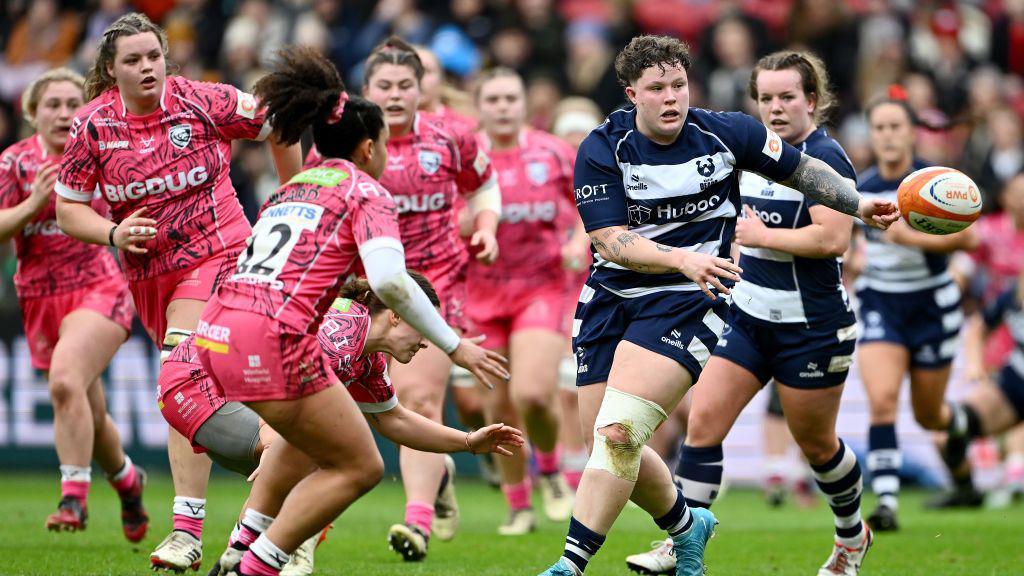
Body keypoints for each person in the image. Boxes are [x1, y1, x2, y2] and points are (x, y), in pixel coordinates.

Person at [538, 35, 897, 576]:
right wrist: (680, 256)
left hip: (696, 300)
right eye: (657, 88)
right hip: (613, 298)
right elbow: (610, 242)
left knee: (620, 432)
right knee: (611, 442)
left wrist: (862, 204)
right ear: (632, 93)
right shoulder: (601, 147)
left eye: (678, 84)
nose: (670, 97)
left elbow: (809, 175)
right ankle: (687, 525)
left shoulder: (731, 133)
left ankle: (570, 564)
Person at [192, 45, 510, 576]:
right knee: (359, 465)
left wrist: (466, 441)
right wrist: (457, 346)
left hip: (216, 330)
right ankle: (262, 564)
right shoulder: (367, 192)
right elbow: (389, 280)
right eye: (384, 142)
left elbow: (393, 414)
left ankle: (241, 544)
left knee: (306, 444)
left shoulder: (292, 188)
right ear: (368, 148)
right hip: (273, 338)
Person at [53, 12, 302, 570]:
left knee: (180, 370)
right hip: (150, 275)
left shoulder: (202, 101)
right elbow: (69, 209)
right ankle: (284, 477)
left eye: (153, 56)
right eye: (133, 61)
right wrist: (113, 232)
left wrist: (293, 198)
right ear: (110, 71)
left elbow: (279, 123)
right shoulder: (92, 127)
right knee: (185, 395)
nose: (147, 68)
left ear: (167, 56)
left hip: (221, 252)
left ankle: (191, 530)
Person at [626, 50, 871, 576]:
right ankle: (681, 545)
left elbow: (834, 238)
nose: (776, 108)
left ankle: (852, 535)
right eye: (765, 98)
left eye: (787, 97)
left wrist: (763, 237)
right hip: (747, 318)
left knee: (817, 444)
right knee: (704, 425)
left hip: (813, 327)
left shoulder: (826, 156)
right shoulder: (747, 151)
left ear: (812, 100)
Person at [161, 274, 524, 575]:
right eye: (425, 328)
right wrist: (275, 446)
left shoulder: (366, 356)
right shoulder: (339, 334)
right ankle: (265, 554)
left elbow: (394, 420)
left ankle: (255, 554)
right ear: (398, 315)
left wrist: (468, 441)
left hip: (222, 387)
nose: (428, 343)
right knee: (323, 459)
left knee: (318, 460)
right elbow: (285, 403)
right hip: (195, 383)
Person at [361, 35, 502, 559]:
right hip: (365, 289)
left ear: (423, 90)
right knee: (364, 409)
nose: (395, 95)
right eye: (384, 86)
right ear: (367, 90)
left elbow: (484, 186)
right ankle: (436, 477)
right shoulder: (347, 140)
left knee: (416, 399)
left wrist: (486, 227)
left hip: (436, 282)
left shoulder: (452, 136)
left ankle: (415, 523)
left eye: (405, 85)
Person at [0, 68, 146, 541]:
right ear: (32, 114)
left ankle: (73, 499)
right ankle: (127, 481)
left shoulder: (101, 152)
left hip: (99, 286)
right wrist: (32, 205)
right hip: (39, 298)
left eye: (71, 104)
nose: (64, 113)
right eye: (52, 105)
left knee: (64, 380)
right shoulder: (15, 164)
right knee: (87, 408)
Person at [469, 67, 588, 534]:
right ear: (480, 106)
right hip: (479, 291)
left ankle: (553, 470)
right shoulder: (465, 155)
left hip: (540, 286)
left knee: (534, 393)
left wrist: (580, 242)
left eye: (510, 98)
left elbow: (589, 202)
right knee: (498, 410)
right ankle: (519, 506)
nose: (502, 106)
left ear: (524, 104)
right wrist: (475, 223)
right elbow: (446, 216)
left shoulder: (552, 151)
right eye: (493, 98)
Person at [854, 94, 978, 531]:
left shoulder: (937, 182)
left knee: (931, 415)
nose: (888, 136)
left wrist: (914, 240)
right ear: (871, 135)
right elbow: (853, 249)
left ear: (911, 132)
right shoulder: (858, 187)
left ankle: (960, 434)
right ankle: (886, 503)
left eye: (895, 127)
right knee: (883, 401)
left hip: (931, 303)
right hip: (880, 302)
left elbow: (970, 239)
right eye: (880, 128)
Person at [941, 270, 1024, 501]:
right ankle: (966, 491)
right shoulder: (1012, 296)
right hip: (1016, 381)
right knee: (951, 430)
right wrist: (975, 365)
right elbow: (978, 328)